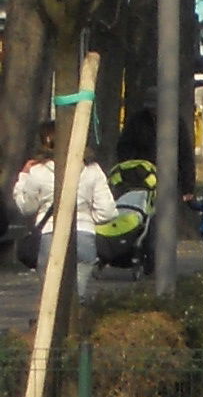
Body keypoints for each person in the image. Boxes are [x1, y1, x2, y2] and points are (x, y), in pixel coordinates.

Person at [10, 122, 121, 291]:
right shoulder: (92, 169)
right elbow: (108, 212)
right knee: (78, 296)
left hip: (50, 235)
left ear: (46, 141)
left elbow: (27, 207)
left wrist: (23, 178)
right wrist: (88, 218)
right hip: (84, 237)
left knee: (51, 298)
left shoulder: (38, 171)